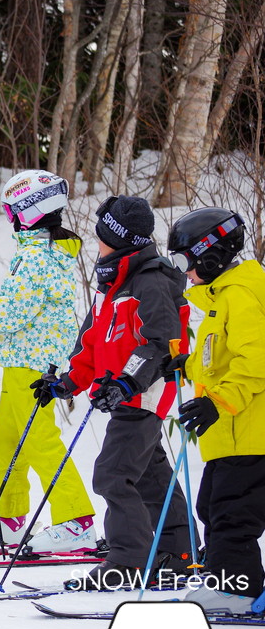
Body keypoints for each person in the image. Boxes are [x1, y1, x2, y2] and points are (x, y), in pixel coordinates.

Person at [33, 195, 193, 590]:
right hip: (123, 393)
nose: (97, 243)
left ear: (118, 239)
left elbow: (160, 342)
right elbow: (92, 345)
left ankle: (128, 561)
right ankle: (178, 552)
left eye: (102, 236)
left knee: (112, 475)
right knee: (149, 475)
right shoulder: (113, 282)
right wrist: (66, 383)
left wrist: (127, 382)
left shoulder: (151, 281)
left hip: (145, 392)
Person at [0, 171, 98, 553]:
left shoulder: (37, 257)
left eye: (10, 210)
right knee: (6, 443)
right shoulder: (39, 252)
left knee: (37, 442)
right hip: (21, 362)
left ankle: (75, 520)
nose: (9, 217)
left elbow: (14, 311)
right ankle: (11, 517)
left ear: (30, 211)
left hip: (32, 364)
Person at [166, 208, 265, 615]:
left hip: (248, 428)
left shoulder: (241, 294)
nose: (185, 272)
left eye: (186, 262)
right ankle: (238, 584)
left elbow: (256, 360)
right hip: (230, 432)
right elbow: (218, 359)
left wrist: (216, 401)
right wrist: (185, 365)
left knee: (231, 513)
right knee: (212, 506)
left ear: (209, 254)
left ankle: (237, 591)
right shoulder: (223, 296)